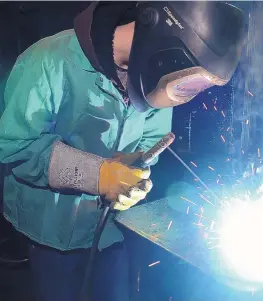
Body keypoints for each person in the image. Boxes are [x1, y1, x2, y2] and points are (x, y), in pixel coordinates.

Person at [0, 2, 244, 301]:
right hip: (49, 234)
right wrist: (98, 175)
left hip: (111, 232)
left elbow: (153, 136)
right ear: (164, 42)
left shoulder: (155, 75)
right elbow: (17, 147)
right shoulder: (48, 61)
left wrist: (137, 166)